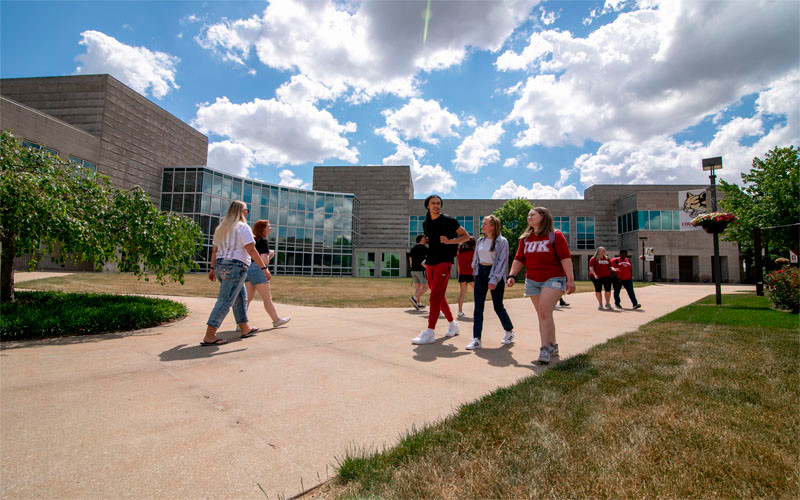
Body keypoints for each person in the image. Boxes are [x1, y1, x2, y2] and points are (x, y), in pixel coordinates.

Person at [506, 207, 575, 364]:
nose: (529, 216)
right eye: (528, 215)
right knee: (544, 314)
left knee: (543, 312)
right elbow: (519, 258)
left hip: (553, 278)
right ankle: (553, 344)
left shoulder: (555, 236)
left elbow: (565, 258)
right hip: (532, 280)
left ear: (543, 216)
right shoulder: (525, 238)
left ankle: (544, 349)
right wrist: (511, 275)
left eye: (533, 214)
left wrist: (570, 279)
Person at [201, 201, 268, 346]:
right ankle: (210, 335)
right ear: (241, 211)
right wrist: (264, 268)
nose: (247, 212)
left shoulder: (222, 228)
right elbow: (251, 250)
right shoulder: (243, 227)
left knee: (240, 297)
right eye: (246, 210)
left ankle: (245, 328)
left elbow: (214, 251)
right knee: (225, 301)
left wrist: (212, 269)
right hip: (235, 267)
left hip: (220, 266)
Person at [411, 195, 469, 345]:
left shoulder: (449, 220)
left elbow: (465, 236)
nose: (436, 205)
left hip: (445, 261)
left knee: (435, 295)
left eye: (438, 203)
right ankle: (453, 324)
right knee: (438, 294)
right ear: (427, 206)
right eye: (433, 203)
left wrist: (449, 241)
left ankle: (430, 331)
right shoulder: (426, 223)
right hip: (431, 261)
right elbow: (432, 240)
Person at [465, 215, 514, 350]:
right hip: (481, 273)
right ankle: (476, 339)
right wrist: (475, 272)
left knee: (498, 306)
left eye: (485, 223)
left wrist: (494, 280)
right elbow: (476, 257)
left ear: (492, 226)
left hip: (494, 274)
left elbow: (501, 263)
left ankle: (509, 331)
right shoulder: (481, 240)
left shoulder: (502, 242)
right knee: (478, 307)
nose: (483, 226)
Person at [244, 219, 291, 328]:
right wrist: (271, 255)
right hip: (258, 269)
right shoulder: (264, 241)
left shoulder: (253, 241)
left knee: (247, 298)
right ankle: (276, 320)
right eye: (268, 226)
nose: (271, 228)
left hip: (248, 269)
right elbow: (263, 259)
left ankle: (241, 323)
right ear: (262, 229)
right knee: (267, 298)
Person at [456, 237, 476, 318]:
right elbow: (474, 264)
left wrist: (459, 274)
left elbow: (458, 265)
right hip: (471, 273)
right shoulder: (473, 251)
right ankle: (477, 311)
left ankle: (460, 312)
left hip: (462, 274)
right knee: (477, 293)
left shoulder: (459, 251)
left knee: (462, 293)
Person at [408, 234, 428, 309]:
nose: (426, 240)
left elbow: (410, 259)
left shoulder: (413, 248)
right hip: (421, 270)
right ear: (422, 239)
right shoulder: (424, 248)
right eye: (425, 239)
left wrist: (412, 266)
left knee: (418, 288)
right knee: (425, 288)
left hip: (413, 271)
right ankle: (414, 298)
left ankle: (418, 303)